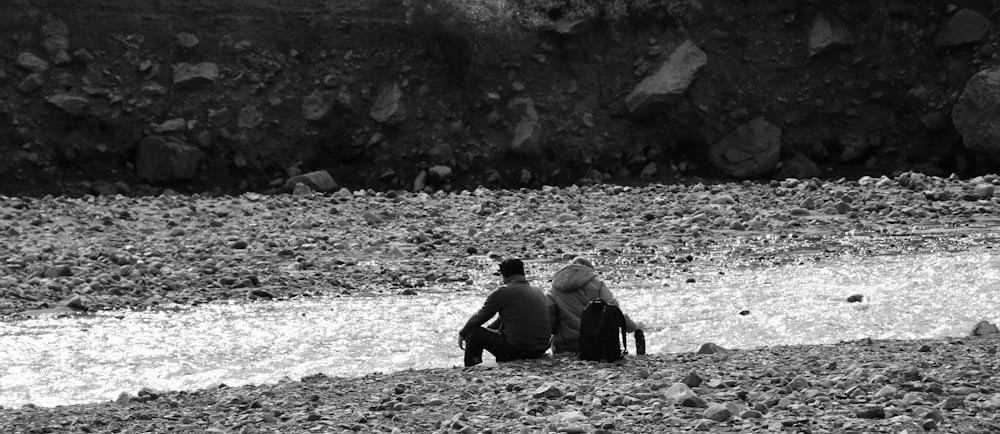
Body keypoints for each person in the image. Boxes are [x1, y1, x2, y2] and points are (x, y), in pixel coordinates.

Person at [458, 258, 551, 367]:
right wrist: (489, 330)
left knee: (473, 332)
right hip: (540, 349)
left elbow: (480, 317)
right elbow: (506, 319)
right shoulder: (538, 291)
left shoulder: (503, 292)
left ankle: (472, 367)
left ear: (504, 275)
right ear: (523, 272)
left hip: (519, 350)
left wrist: (462, 333)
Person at [547, 256, 641, 355]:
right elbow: (614, 310)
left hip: (565, 348)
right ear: (589, 271)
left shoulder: (555, 288)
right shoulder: (598, 284)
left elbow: (549, 320)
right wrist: (634, 328)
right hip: (595, 347)